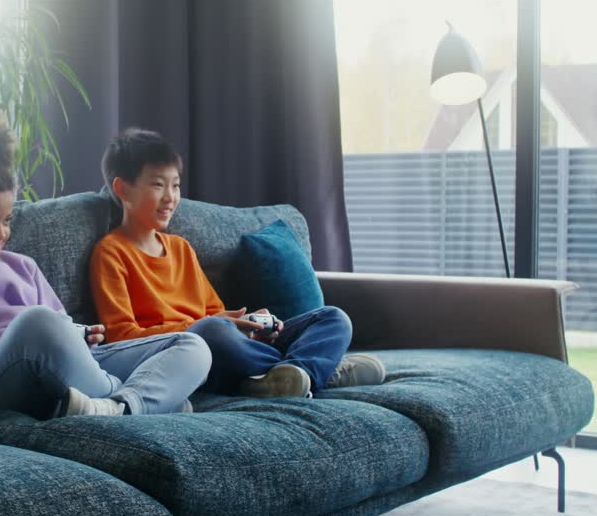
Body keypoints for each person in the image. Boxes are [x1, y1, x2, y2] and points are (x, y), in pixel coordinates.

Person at [0, 109, 210, 417]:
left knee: (192, 345)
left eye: (7, 220)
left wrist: (82, 334)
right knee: (36, 322)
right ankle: (147, 400)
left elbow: (63, 331)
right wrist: (8, 335)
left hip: (64, 371)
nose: (1, 233)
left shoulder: (23, 266)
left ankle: (123, 407)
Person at [89, 127, 385, 398]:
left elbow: (215, 312)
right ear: (123, 189)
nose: (170, 197)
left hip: (230, 345)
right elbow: (120, 337)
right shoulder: (111, 253)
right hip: (187, 351)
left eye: (176, 186)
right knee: (210, 333)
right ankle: (315, 370)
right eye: (157, 185)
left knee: (332, 317)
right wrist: (203, 325)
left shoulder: (180, 248)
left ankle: (289, 375)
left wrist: (249, 324)